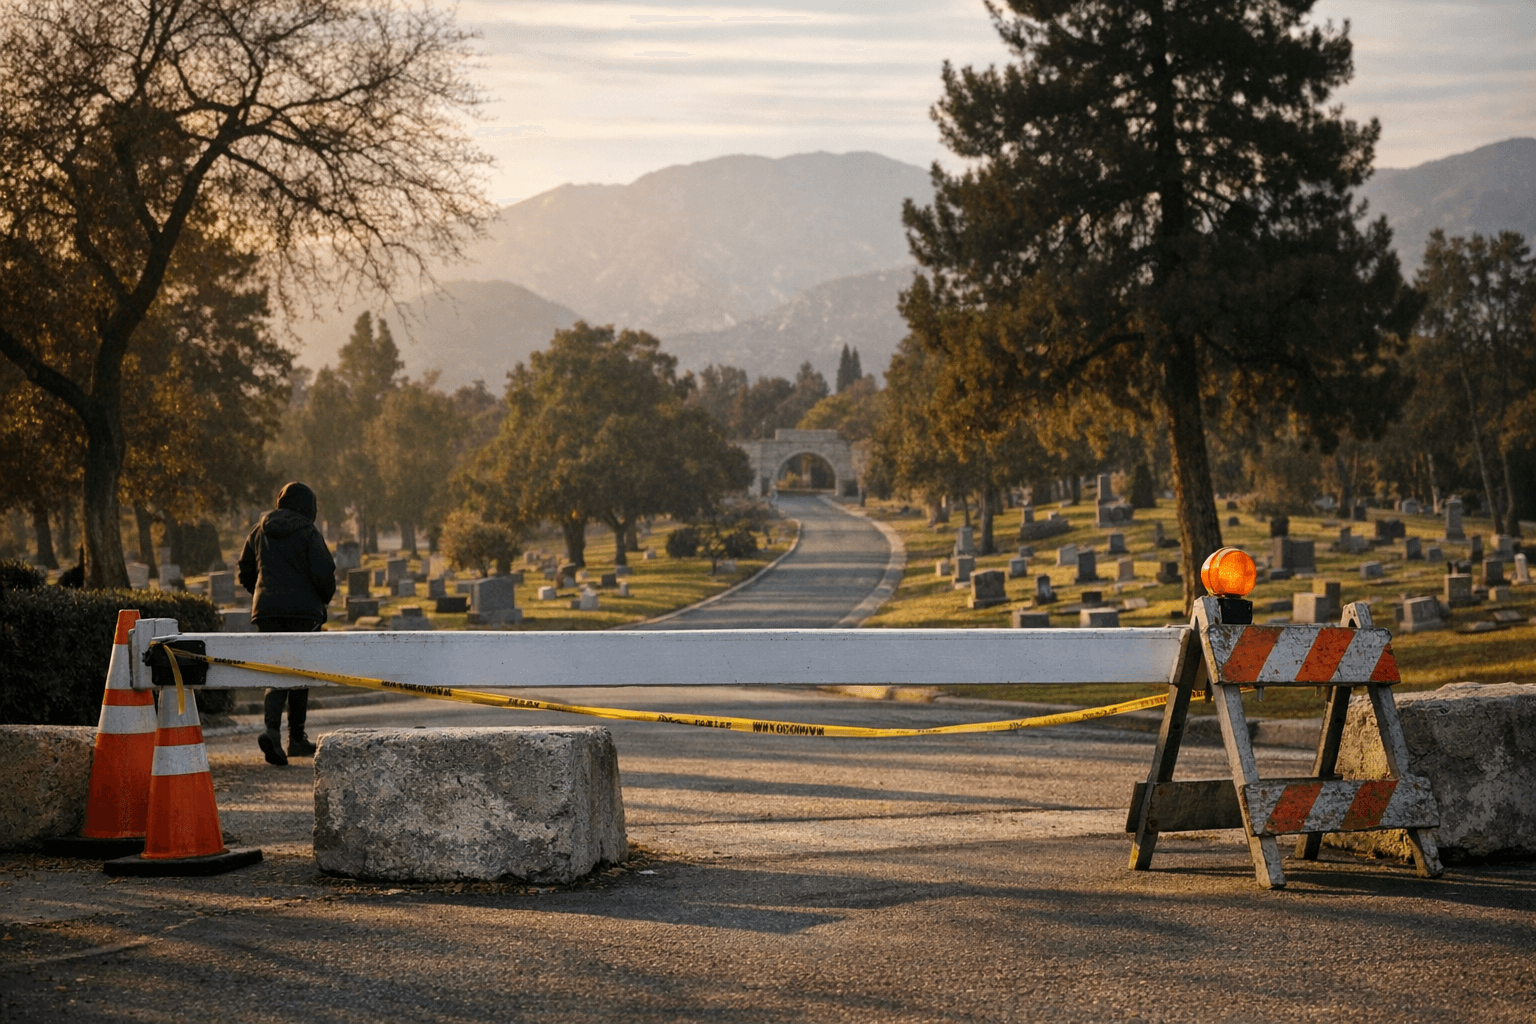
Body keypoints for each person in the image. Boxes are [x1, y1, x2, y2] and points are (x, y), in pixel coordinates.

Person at [238, 481, 336, 766]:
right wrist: (322, 598)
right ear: (309, 507)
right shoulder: (307, 531)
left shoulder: (260, 530)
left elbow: (245, 568)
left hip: (267, 611)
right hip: (303, 612)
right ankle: (287, 735)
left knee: (278, 666)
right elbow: (324, 571)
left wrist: (261, 594)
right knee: (298, 670)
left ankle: (284, 735)